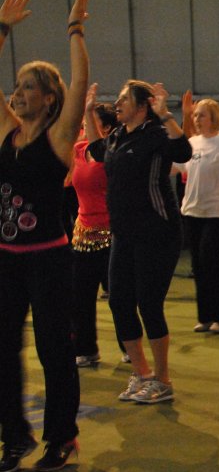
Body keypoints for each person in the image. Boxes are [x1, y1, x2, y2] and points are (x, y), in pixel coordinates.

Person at [0, 0, 89, 472]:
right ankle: (14, 438)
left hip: (49, 259)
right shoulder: (6, 132)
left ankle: (61, 437)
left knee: (55, 349)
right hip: (6, 258)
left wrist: (75, 29)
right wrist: (2, 29)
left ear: (48, 98)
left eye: (28, 86)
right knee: (3, 349)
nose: (18, 92)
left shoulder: (58, 136)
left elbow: (79, 82)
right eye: (16, 85)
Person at [86, 79, 192, 405]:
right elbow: (96, 150)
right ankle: (142, 373)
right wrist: (89, 112)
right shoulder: (118, 135)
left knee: (148, 303)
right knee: (119, 301)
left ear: (142, 106)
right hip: (124, 233)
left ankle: (163, 379)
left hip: (157, 232)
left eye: (124, 99)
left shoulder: (156, 134)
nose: (117, 104)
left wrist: (166, 114)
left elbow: (184, 151)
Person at [176, 96, 219, 333]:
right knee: (198, 264)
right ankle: (206, 316)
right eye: (195, 115)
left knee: (209, 258)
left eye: (202, 115)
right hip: (193, 210)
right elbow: (177, 166)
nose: (197, 119)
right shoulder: (192, 143)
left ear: (214, 118)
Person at [71, 100, 126, 367]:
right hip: (83, 232)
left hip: (112, 233)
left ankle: (129, 346)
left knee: (118, 296)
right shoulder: (77, 150)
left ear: (104, 128)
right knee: (80, 296)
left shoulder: (113, 152)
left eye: (88, 123)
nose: (84, 129)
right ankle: (86, 348)